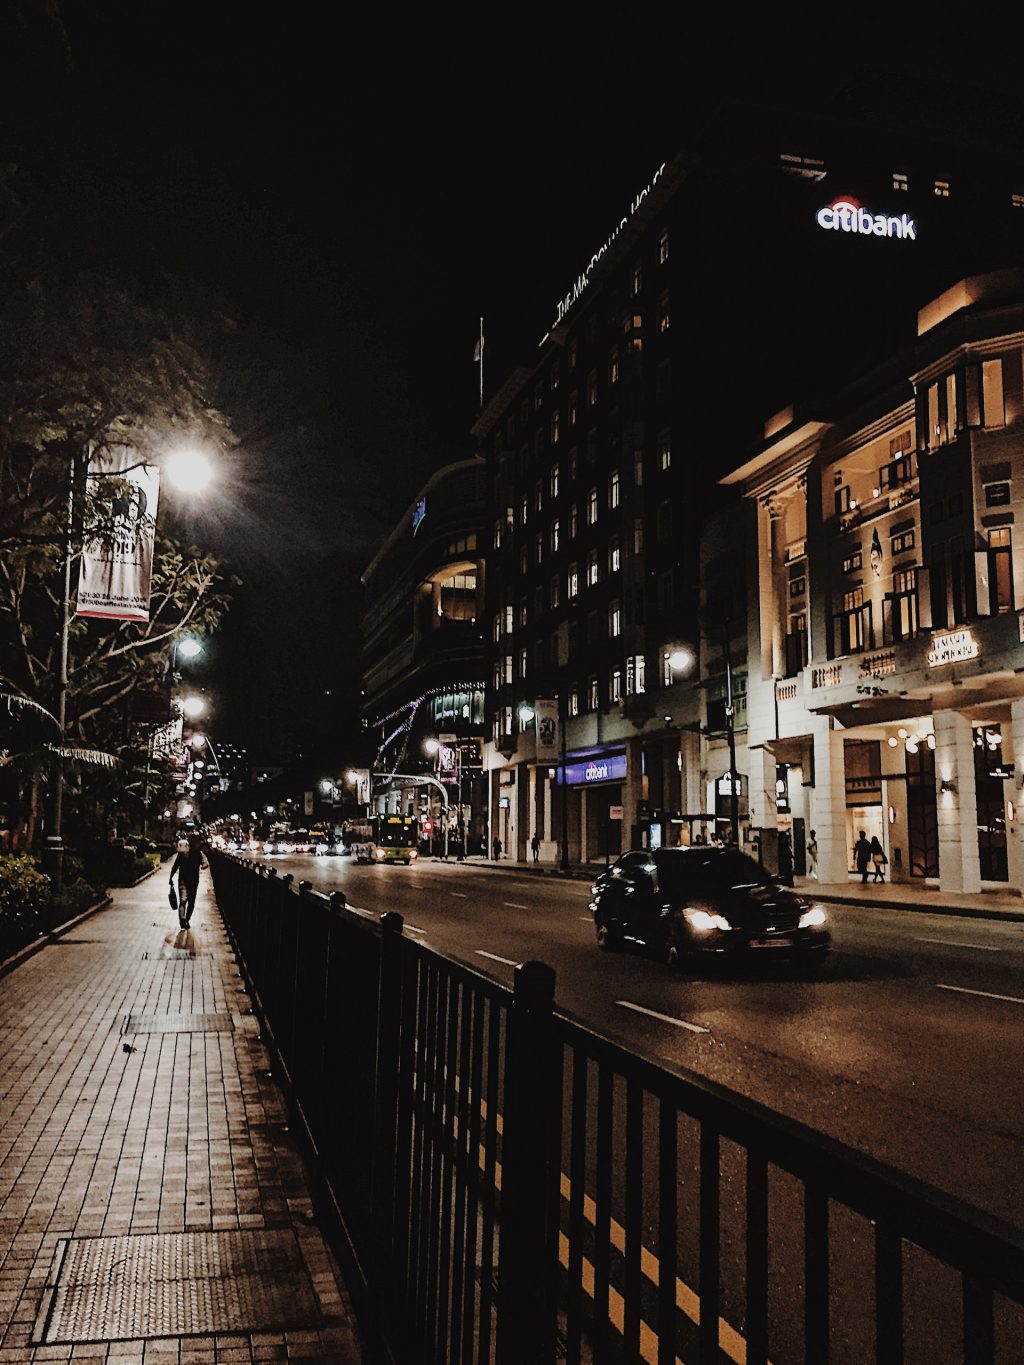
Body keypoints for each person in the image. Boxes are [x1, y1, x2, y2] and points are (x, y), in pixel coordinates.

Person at [169, 830, 206, 926]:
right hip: (183, 881)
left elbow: (205, 863)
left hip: (194, 881)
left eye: (197, 841)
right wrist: (171, 877)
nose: (196, 843)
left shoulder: (199, 854)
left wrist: (204, 865)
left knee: (191, 903)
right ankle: (182, 920)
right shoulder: (183, 853)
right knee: (183, 900)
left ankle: (186, 920)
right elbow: (175, 866)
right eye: (194, 840)